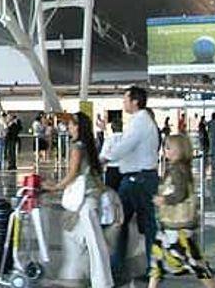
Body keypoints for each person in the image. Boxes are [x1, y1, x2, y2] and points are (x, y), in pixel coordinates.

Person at [44, 112, 113, 288]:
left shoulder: (77, 147)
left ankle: (102, 282)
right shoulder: (89, 145)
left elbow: (74, 173)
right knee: (76, 236)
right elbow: (94, 172)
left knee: (94, 242)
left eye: (71, 124)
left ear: (78, 127)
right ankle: (73, 274)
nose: (68, 127)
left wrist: (56, 186)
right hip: (90, 195)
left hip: (85, 199)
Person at [103, 86, 160, 281]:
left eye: (125, 99)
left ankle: (117, 264)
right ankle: (145, 267)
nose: (123, 103)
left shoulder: (140, 122)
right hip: (142, 178)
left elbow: (125, 146)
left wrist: (105, 158)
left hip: (137, 180)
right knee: (138, 223)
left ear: (135, 101)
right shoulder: (142, 121)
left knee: (121, 221)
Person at [148, 134, 215, 288]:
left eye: (168, 148)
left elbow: (180, 193)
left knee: (194, 262)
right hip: (172, 226)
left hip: (178, 228)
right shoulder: (182, 169)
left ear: (179, 150)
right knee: (157, 260)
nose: (165, 151)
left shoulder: (177, 170)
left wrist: (164, 200)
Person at [99, 119, 124, 191]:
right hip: (124, 169)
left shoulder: (109, 139)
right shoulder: (127, 138)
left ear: (112, 128)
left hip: (112, 169)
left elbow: (103, 156)